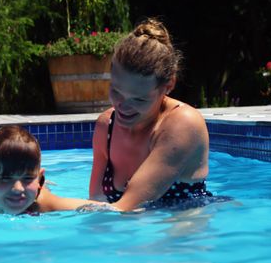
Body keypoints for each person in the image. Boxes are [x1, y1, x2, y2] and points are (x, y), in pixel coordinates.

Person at [89, 18, 212, 212]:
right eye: (116, 91)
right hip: (130, 228)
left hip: (182, 228)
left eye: (139, 99)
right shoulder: (106, 126)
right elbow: (95, 202)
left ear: (169, 85)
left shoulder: (184, 124)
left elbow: (125, 207)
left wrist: (47, 202)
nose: (122, 106)